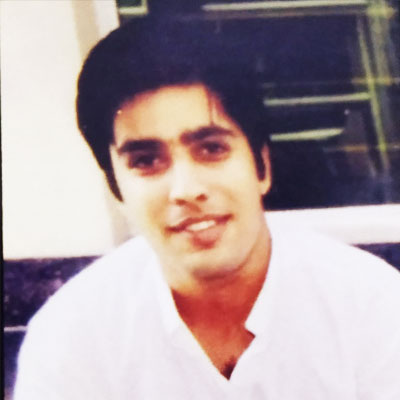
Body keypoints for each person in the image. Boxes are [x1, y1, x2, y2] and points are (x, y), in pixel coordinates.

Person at [14, 17, 400, 400]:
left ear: (262, 166)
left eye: (212, 149)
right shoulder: (71, 338)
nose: (186, 190)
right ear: (116, 188)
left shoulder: (370, 305)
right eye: (146, 161)